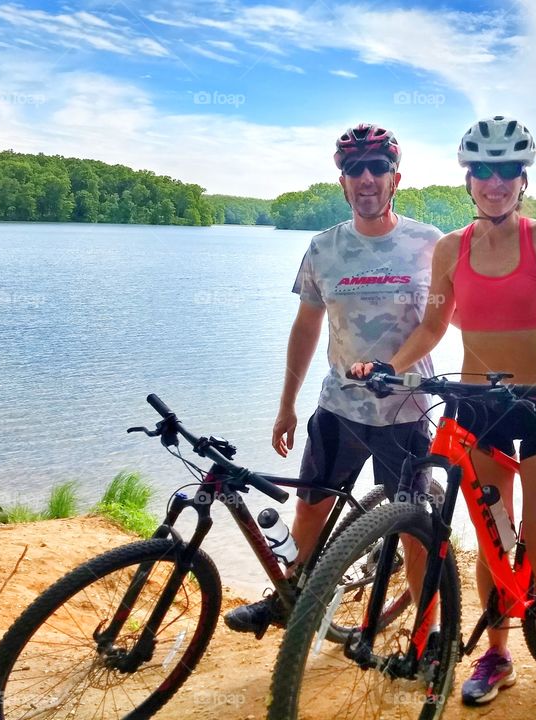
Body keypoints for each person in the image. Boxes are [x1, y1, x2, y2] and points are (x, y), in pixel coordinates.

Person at [351, 115, 536, 720]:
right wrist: (388, 365)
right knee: (494, 544)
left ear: (523, 179)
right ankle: (497, 655)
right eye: (483, 171)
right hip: (476, 407)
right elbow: (435, 324)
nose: (495, 182)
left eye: (507, 171)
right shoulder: (450, 249)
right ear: (468, 179)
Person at [223, 123, 442, 638]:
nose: (366, 178)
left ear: (396, 179)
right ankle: (290, 598)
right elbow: (306, 326)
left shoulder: (428, 244)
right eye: (353, 170)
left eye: (377, 168)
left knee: (413, 529)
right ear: (342, 183)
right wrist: (286, 405)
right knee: (309, 510)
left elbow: (443, 321)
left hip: (405, 412)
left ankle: (428, 636)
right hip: (338, 408)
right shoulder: (324, 248)